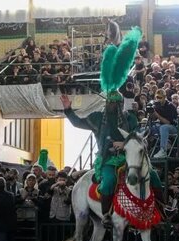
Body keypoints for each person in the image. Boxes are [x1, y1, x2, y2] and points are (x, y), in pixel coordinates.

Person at [59, 27, 162, 228]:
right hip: (107, 159)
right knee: (107, 182)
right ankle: (106, 215)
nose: (112, 105)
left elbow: (137, 138)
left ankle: (162, 207)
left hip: (129, 158)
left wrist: (123, 144)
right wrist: (69, 110)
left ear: (120, 104)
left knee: (155, 176)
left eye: (116, 103)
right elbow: (78, 122)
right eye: (110, 103)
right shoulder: (97, 119)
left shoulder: (130, 119)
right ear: (107, 103)